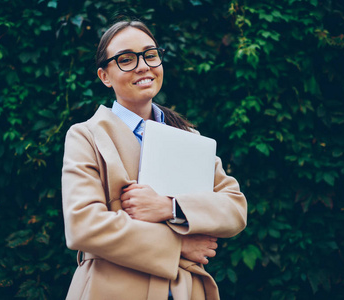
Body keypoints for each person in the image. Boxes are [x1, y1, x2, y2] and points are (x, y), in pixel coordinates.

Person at [61, 19, 247, 300]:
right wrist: (178, 246)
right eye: (126, 59)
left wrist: (170, 207)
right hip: (109, 289)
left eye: (150, 55)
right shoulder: (85, 136)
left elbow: (235, 208)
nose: (143, 65)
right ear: (105, 76)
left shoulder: (189, 137)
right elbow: (83, 226)